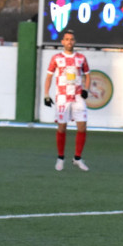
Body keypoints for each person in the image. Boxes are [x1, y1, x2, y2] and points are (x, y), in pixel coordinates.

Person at [43, 29, 91, 171]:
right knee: (62, 128)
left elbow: (88, 75)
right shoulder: (56, 58)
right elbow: (49, 77)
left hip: (77, 97)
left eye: (72, 39)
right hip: (62, 97)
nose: (69, 42)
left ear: (74, 42)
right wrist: (46, 94)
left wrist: (86, 90)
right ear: (62, 42)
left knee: (82, 127)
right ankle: (60, 157)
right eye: (67, 39)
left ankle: (77, 158)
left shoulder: (81, 58)